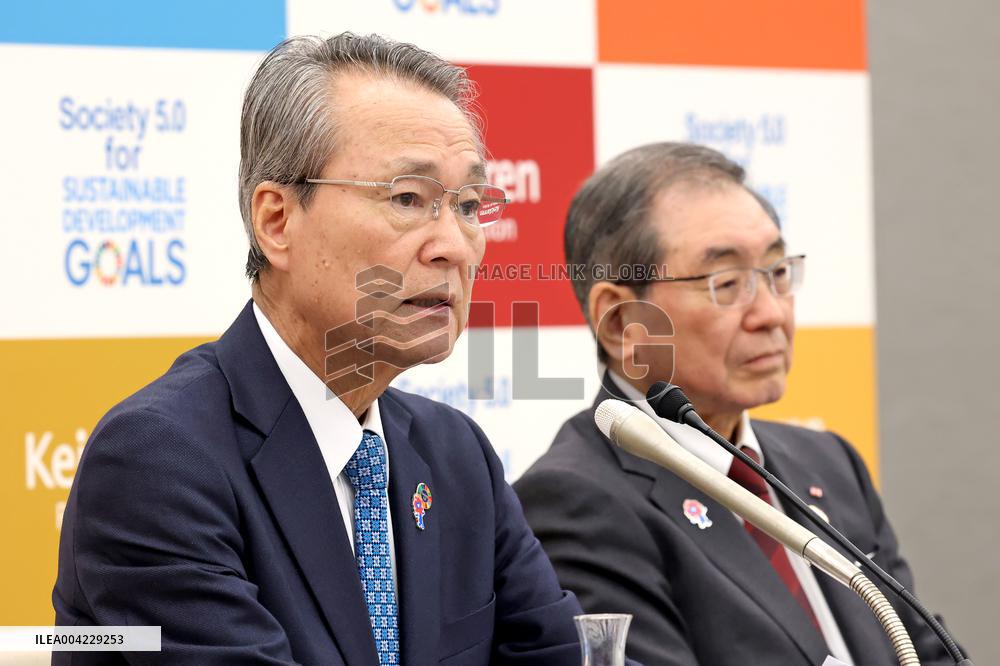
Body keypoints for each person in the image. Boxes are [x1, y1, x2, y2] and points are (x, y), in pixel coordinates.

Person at [53, 33, 584, 665]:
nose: (455, 245)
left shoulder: (455, 457)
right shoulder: (159, 460)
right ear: (277, 221)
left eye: (468, 206)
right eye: (408, 199)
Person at [514, 142, 955, 665]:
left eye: (778, 272)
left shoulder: (829, 464)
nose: (771, 313)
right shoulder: (577, 501)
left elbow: (931, 651)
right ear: (621, 323)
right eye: (728, 283)